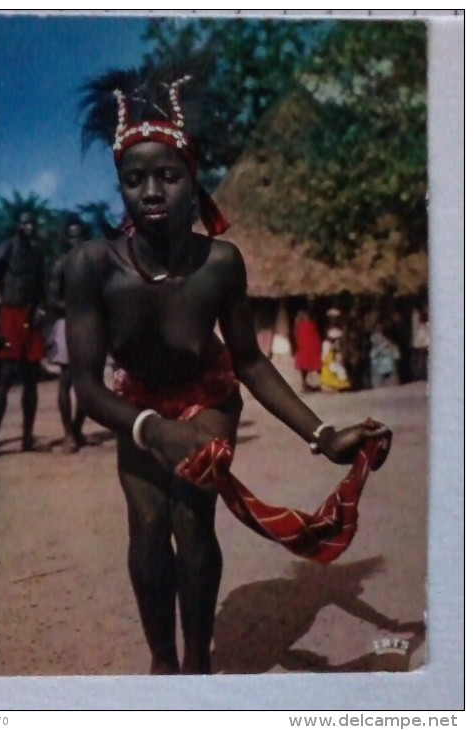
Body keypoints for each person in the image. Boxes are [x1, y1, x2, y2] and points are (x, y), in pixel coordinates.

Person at [67, 74, 390, 675]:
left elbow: (249, 360)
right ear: (120, 186)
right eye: (134, 179)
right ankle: (164, 664)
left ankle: (195, 665)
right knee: (146, 523)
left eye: (168, 174)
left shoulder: (220, 263)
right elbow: (86, 385)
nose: (152, 190)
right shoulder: (91, 267)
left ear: (194, 182)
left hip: (207, 394)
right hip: (138, 405)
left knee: (191, 522)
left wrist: (323, 436)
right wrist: (148, 428)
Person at [0, 211, 47, 456]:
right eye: (25, 221)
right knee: (4, 379)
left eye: (32, 222)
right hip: (10, 316)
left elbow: (43, 289)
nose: (29, 226)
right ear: (17, 225)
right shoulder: (5, 250)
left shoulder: (37, 253)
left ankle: (27, 437)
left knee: (31, 380)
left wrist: (42, 310)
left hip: (30, 317)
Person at [47, 219, 88, 453]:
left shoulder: (92, 264)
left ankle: (77, 428)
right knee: (67, 380)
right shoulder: (61, 265)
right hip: (67, 324)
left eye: (80, 236)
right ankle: (68, 434)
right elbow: (52, 298)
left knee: (88, 381)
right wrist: (74, 307)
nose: (76, 241)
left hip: (89, 325)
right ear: (67, 239)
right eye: (72, 236)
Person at [292, 307, 322, 392]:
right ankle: (305, 383)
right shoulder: (301, 321)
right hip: (306, 344)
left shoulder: (303, 322)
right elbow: (296, 332)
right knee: (305, 365)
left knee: (308, 365)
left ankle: (307, 383)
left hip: (309, 344)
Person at [321, 327, 351, 392]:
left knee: (340, 370)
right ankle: (341, 385)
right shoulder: (327, 344)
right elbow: (326, 355)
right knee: (340, 370)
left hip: (331, 361)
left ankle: (340, 385)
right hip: (329, 362)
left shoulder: (330, 343)